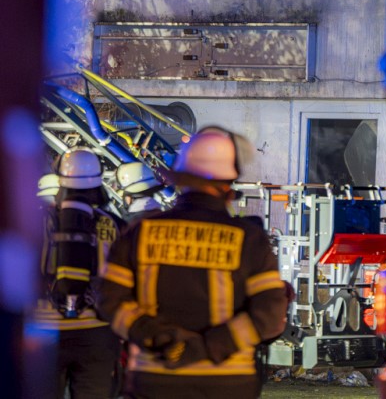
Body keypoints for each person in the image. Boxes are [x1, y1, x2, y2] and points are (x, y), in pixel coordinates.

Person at [97, 127, 288, 399]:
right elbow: (269, 316)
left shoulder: (140, 232)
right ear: (228, 185)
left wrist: (162, 341)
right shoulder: (250, 240)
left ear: (181, 179)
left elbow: (110, 300)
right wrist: (207, 347)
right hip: (228, 384)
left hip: (156, 380)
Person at [33, 147, 123, 399]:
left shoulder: (39, 221)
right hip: (97, 331)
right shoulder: (113, 224)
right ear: (98, 182)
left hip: (44, 331)